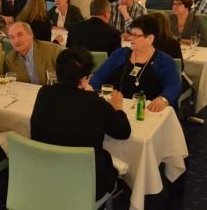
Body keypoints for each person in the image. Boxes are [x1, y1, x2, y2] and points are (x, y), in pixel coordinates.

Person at [30, 47, 131, 200]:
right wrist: (118, 108)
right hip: (85, 183)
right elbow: (123, 132)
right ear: (84, 79)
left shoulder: (44, 93)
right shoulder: (95, 103)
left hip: (44, 173)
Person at [91, 15, 181, 112]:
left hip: (146, 110)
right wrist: (90, 89)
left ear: (150, 38)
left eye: (136, 35)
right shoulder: (120, 54)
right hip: (116, 107)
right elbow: (99, 76)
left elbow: (174, 85)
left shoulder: (164, 61)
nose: (130, 38)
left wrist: (163, 98)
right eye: (130, 34)